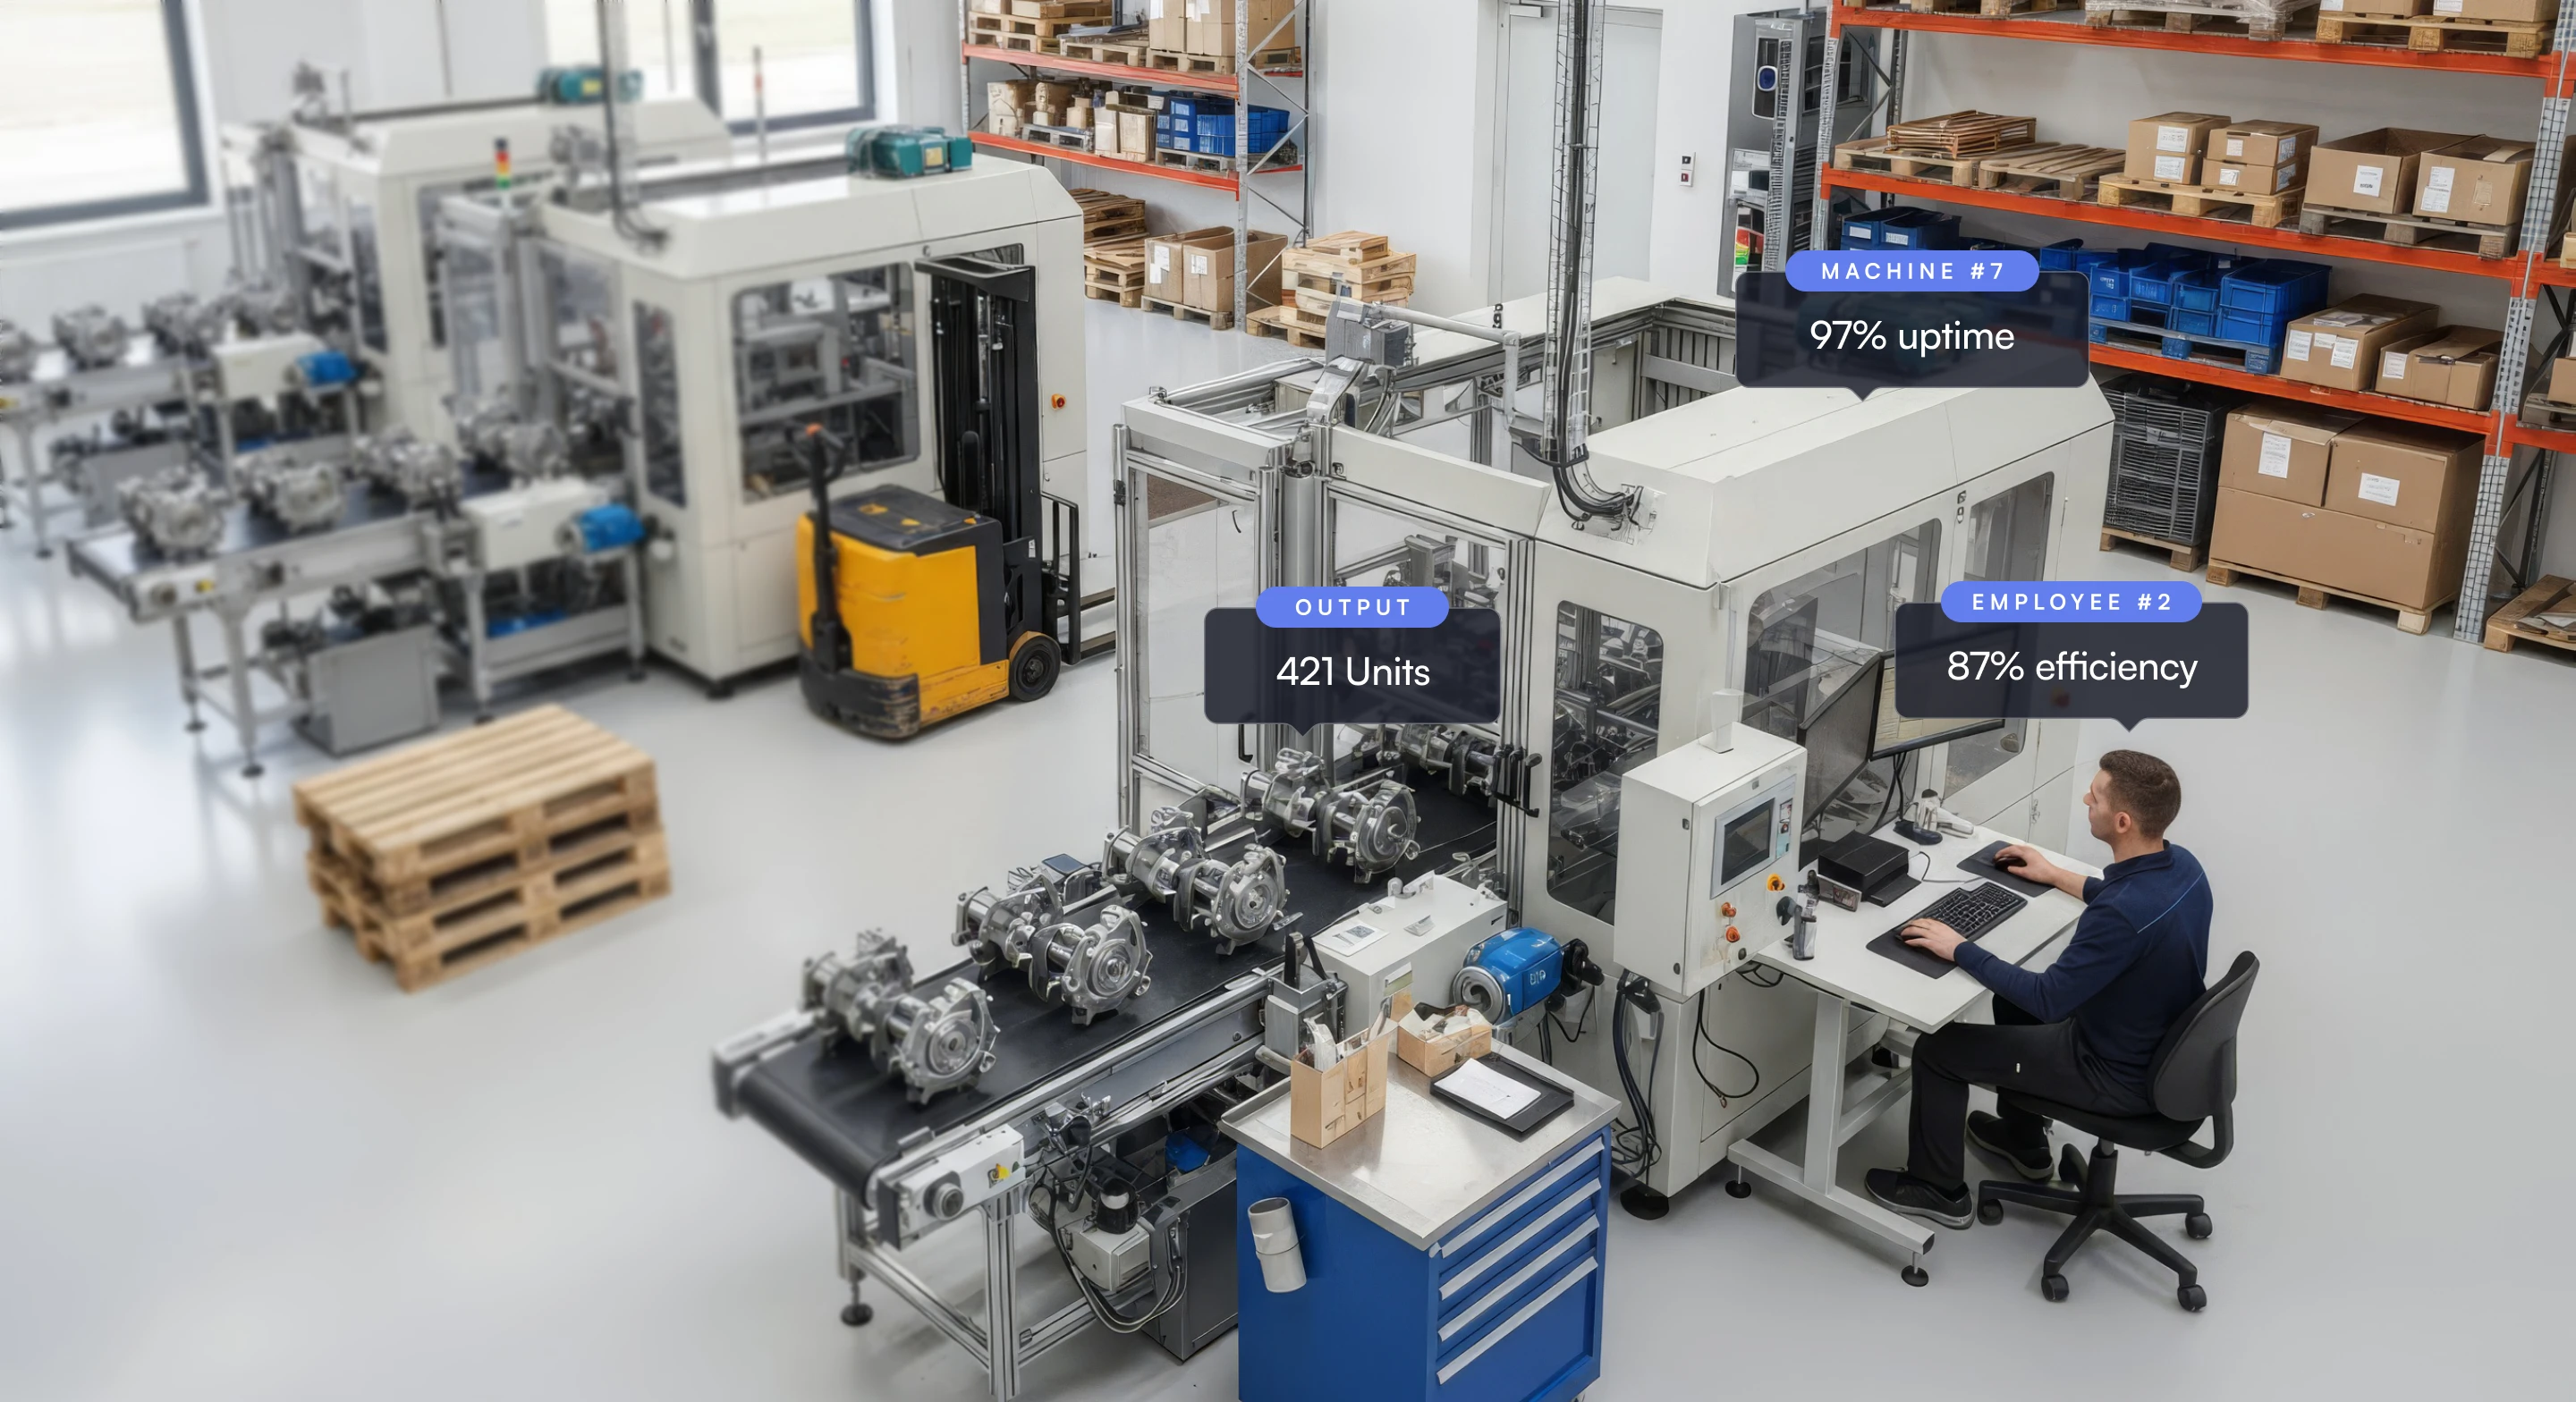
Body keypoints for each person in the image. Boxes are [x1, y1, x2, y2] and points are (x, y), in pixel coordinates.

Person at [1864, 749, 2211, 1229]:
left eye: (2098, 795)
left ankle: (1936, 1188)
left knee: (1939, 1049)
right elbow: (2125, 899)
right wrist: (2052, 874)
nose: (2087, 797)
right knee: (2009, 994)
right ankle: (2022, 1140)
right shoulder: (2183, 868)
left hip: (2112, 1075)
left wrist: (1959, 947)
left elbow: (2050, 999)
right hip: (2155, 1049)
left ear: (2123, 821)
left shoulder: (2121, 915)